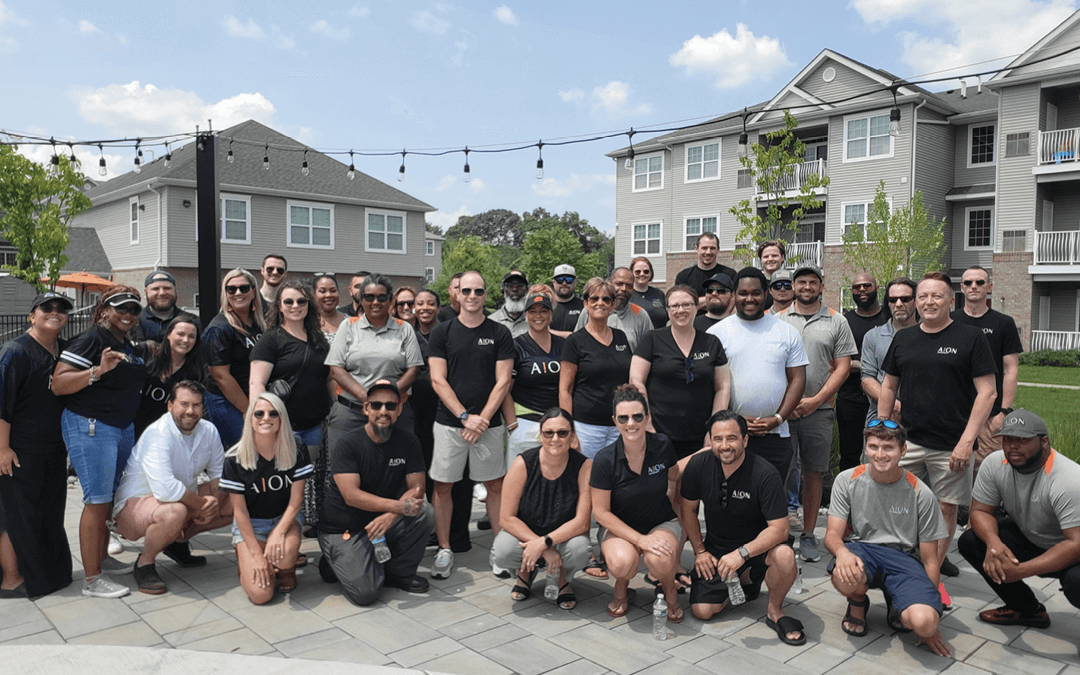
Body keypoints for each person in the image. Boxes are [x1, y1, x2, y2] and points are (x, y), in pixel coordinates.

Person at [877, 271, 997, 606]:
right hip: (909, 441)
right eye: (923, 296)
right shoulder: (904, 339)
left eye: (937, 296)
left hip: (952, 445)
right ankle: (902, 562)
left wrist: (967, 441)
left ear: (950, 300)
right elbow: (888, 385)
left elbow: (987, 392)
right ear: (916, 302)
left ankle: (931, 573)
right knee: (897, 503)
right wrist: (883, 428)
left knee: (945, 508)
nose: (929, 302)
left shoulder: (971, 338)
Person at [53, 285, 150, 599]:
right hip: (92, 425)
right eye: (121, 307)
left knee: (105, 498)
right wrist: (97, 370)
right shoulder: (93, 338)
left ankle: (102, 559)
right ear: (104, 309)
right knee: (96, 500)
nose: (128, 314)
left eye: (134, 309)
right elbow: (58, 383)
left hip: (119, 427)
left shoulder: (127, 341)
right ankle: (92, 580)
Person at [824, 418, 951, 657]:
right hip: (863, 550)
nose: (880, 454)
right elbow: (832, 535)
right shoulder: (847, 480)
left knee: (924, 622)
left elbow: (930, 559)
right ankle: (858, 603)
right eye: (873, 447)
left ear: (903, 450)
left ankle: (899, 602)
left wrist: (930, 604)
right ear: (865, 448)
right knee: (844, 575)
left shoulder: (921, 493)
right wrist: (842, 553)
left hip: (903, 558)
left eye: (888, 448)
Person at [679, 411, 804, 645]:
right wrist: (700, 551)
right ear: (710, 440)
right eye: (718, 439)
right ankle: (743, 583)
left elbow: (780, 529)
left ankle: (775, 610)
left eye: (732, 438)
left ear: (745, 440)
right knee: (702, 611)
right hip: (717, 548)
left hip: (758, 549)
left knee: (785, 556)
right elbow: (688, 510)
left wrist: (742, 554)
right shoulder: (699, 465)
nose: (725, 446)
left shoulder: (765, 473)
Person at [958, 409, 1080, 629]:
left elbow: (1075, 543)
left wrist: (1021, 571)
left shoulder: (1068, 480)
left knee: (1076, 581)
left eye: (1022, 440)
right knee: (972, 542)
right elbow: (979, 511)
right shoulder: (995, 464)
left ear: (1044, 442)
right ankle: (1027, 610)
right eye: (1008, 439)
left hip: (1072, 551)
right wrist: (994, 543)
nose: (1013, 446)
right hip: (1034, 539)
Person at [428, 271, 514, 579]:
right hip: (451, 424)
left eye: (479, 291)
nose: (473, 296)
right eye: (467, 290)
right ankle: (445, 548)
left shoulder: (500, 332)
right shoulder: (443, 332)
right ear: (458, 294)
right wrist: (466, 417)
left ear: (485, 294)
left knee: (494, 486)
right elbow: (438, 380)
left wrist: (482, 420)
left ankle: (499, 549)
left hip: (489, 426)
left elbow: (503, 381)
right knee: (443, 486)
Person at [318, 380, 435, 604]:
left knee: (424, 513)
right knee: (366, 594)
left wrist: (392, 515)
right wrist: (397, 507)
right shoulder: (348, 444)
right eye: (376, 405)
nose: (383, 411)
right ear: (366, 408)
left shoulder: (409, 441)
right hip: (343, 527)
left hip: (381, 521)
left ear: (399, 409)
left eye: (390, 406)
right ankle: (335, 561)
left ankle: (398, 574)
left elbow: (417, 488)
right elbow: (351, 496)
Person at [112, 381, 234, 595]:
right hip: (134, 507)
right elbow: (166, 490)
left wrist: (215, 502)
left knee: (234, 498)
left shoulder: (209, 430)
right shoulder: (157, 433)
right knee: (174, 512)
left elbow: (217, 473)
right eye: (184, 404)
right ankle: (144, 564)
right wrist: (204, 505)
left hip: (180, 501)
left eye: (196, 405)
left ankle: (177, 541)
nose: (190, 411)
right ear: (170, 406)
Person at [777, 264, 857, 563]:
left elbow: (843, 367)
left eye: (813, 282)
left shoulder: (837, 321)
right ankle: (780, 532)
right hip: (784, 412)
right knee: (780, 472)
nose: (807, 287)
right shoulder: (778, 320)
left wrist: (815, 400)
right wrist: (789, 404)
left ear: (821, 286)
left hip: (819, 411)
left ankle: (808, 534)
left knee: (813, 473)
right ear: (793, 286)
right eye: (801, 282)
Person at [0, 292, 74, 599]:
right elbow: (1, 405)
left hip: (54, 451)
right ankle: (11, 580)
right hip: (19, 451)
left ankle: (44, 575)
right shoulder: (14, 352)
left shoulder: (66, 352)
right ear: (33, 315)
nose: (55, 312)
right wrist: (2, 449)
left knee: (46, 516)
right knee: (15, 517)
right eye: (47, 307)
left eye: (62, 309)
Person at [591, 385, 684, 622]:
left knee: (660, 559)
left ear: (647, 418)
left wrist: (675, 510)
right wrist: (641, 540)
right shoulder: (604, 459)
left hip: (660, 522)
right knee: (623, 564)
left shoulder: (662, 445)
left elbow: (675, 475)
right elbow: (601, 513)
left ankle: (670, 591)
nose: (630, 423)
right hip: (619, 528)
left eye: (637, 416)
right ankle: (621, 588)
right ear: (615, 420)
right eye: (623, 417)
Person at [707, 268, 807, 483]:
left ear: (766, 295)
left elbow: (798, 380)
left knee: (769, 502)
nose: (749, 299)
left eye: (756, 293)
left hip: (775, 435)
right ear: (734, 295)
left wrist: (778, 418)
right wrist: (733, 420)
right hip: (730, 435)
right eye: (743, 293)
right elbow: (709, 386)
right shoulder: (716, 333)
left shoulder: (786, 332)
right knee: (732, 501)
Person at [495, 408, 592, 609]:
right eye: (549, 433)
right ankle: (525, 571)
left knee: (580, 550)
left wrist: (546, 542)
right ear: (541, 434)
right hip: (527, 534)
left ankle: (562, 577)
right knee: (502, 550)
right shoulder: (522, 463)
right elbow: (506, 518)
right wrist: (542, 547)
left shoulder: (584, 466)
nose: (555, 438)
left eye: (562, 433)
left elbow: (582, 520)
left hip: (564, 536)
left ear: (572, 435)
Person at [222, 392, 313, 604]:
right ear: (250, 418)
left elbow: (296, 501)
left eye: (274, 413)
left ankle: (286, 568)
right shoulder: (234, 458)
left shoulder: (296, 448)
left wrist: (278, 532)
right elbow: (240, 512)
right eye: (259, 413)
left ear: (282, 418)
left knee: (284, 555)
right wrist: (254, 553)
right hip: (251, 525)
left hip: (284, 519)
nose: (266, 418)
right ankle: (250, 560)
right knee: (261, 596)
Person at [326, 273, 422, 461]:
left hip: (395, 411)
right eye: (369, 297)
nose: (375, 302)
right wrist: (366, 398)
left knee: (396, 467)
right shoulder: (348, 326)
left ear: (391, 300)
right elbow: (335, 368)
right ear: (361, 300)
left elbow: (414, 369)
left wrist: (388, 395)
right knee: (345, 467)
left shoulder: (404, 328)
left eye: (381, 297)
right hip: (351, 411)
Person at [630, 285, 730, 459]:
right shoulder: (652, 339)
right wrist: (646, 424)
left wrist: (715, 428)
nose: (680, 310)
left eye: (686, 305)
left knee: (697, 484)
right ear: (667, 310)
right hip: (659, 433)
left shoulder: (711, 342)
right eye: (674, 306)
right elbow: (636, 380)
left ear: (696, 307)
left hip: (701, 435)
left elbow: (723, 386)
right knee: (664, 484)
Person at [412, 288, 474, 555]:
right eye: (419, 303)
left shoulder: (450, 331)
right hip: (418, 416)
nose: (425, 307)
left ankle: (458, 535)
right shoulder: (406, 334)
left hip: (450, 413)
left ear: (439, 307)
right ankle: (433, 531)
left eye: (430, 303)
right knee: (429, 475)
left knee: (459, 478)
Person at [952, 266, 1023, 472]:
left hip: (990, 413)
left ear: (989, 287)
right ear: (962, 287)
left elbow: (1010, 370)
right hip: (955, 410)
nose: (974, 286)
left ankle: (987, 505)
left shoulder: (1003, 323)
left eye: (980, 282)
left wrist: (1003, 411)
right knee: (955, 467)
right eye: (968, 283)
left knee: (989, 470)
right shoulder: (950, 321)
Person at [250, 281, 332, 450]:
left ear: (309, 304)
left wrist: (334, 410)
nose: (295, 306)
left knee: (306, 474)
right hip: (282, 426)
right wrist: (261, 419)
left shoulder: (319, 340)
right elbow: (256, 383)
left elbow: (329, 378)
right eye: (289, 301)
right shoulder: (270, 340)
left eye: (301, 301)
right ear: (279, 306)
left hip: (314, 425)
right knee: (284, 474)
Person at [561, 278, 633, 459]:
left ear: (613, 305)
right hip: (586, 427)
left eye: (606, 299)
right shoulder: (575, 341)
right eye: (594, 298)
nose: (600, 303)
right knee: (587, 479)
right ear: (585, 303)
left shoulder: (621, 337)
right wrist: (569, 430)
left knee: (617, 479)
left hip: (619, 424)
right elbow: (565, 390)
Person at [203, 269, 266, 449]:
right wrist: (248, 409)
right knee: (245, 451)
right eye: (231, 289)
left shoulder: (258, 324)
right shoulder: (219, 328)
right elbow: (220, 375)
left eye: (244, 288)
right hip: (227, 401)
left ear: (254, 291)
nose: (238, 293)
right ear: (226, 294)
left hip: (253, 398)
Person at [501, 292, 566, 462]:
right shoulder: (516, 345)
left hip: (557, 424)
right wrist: (512, 425)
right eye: (532, 311)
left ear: (551, 314)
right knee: (521, 482)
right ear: (526, 315)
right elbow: (505, 388)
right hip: (526, 422)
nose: (538, 316)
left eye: (544, 311)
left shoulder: (564, 345)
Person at [837, 273, 887, 472]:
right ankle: (847, 496)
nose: (862, 290)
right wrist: (859, 365)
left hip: (884, 396)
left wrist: (857, 364)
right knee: (849, 452)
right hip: (850, 396)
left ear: (877, 287)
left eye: (867, 285)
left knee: (883, 449)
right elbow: (836, 359)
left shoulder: (887, 319)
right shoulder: (844, 321)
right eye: (857, 287)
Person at [133, 314, 205, 439]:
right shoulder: (146, 352)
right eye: (181, 334)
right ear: (168, 334)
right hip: (130, 428)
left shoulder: (195, 373)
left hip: (162, 436)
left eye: (191, 336)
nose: (186, 340)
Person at [861, 277, 919, 425]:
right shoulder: (873, 336)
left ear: (916, 300)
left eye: (905, 299)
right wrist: (894, 404)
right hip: (881, 415)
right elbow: (867, 379)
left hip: (921, 416)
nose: (898, 304)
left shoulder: (930, 336)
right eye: (893, 300)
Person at [572, 268, 652, 352]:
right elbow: (575, 345)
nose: (624, 289)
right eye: (619, 284)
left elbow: (649, 350)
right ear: (609, 283)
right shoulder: (591, 311)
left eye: (629, 286)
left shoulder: (640, 314)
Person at [674, 233, 736, 313]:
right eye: (704, 248)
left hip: (721, 323)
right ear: (696, 249)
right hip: (692, 324)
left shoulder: (730, 274)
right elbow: (682, 305)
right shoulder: (683, 277)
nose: (708, 252)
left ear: (718, 249)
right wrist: (719, 300)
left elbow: (733, 300)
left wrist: (695, 302)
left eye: (712, 248)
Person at [138, 270, 196, 342]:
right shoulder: (135, 321)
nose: (162, 293)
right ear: (145, 292)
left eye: (167, 288)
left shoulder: (192, 320)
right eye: (155, 289)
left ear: (175, 290)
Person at [629, 256, 668, 329]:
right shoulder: (627, 295)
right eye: (638, 272)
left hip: (659, 338)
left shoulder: (659, 294)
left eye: (646, 271)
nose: (642, 274)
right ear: (631, 273)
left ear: (650, 273)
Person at [490, 270, 531, 338]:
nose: (515, 289)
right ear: (503, 289)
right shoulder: (492, 322)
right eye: (510, 286)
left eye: (520, 286)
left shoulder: (535, 321)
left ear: (527, 290)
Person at [550, 265, 584, 337]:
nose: (564, 283)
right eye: (560, 280)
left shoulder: (584, 306)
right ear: (553, 283)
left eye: (569, 280)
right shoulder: (545, 306)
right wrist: (568, 335)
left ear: (575, 283)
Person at [313, 273, 346, 344]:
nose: (328, 295)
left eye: (333, 291)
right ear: (314, 295)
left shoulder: (351, 323)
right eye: (322, 291)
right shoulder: (306, 324)